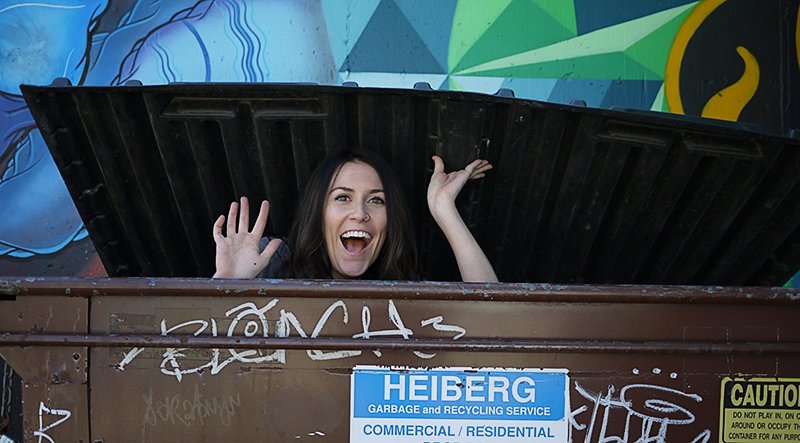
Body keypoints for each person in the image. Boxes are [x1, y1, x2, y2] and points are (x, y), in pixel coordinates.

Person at [212, 149, 497, 282]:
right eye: (342, 197)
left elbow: (494, 324)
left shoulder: (407, 294)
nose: (360, 213)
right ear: (318, 213)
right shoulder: (275, 264)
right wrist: (225, 285)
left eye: (376, 200)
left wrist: (444, 209)